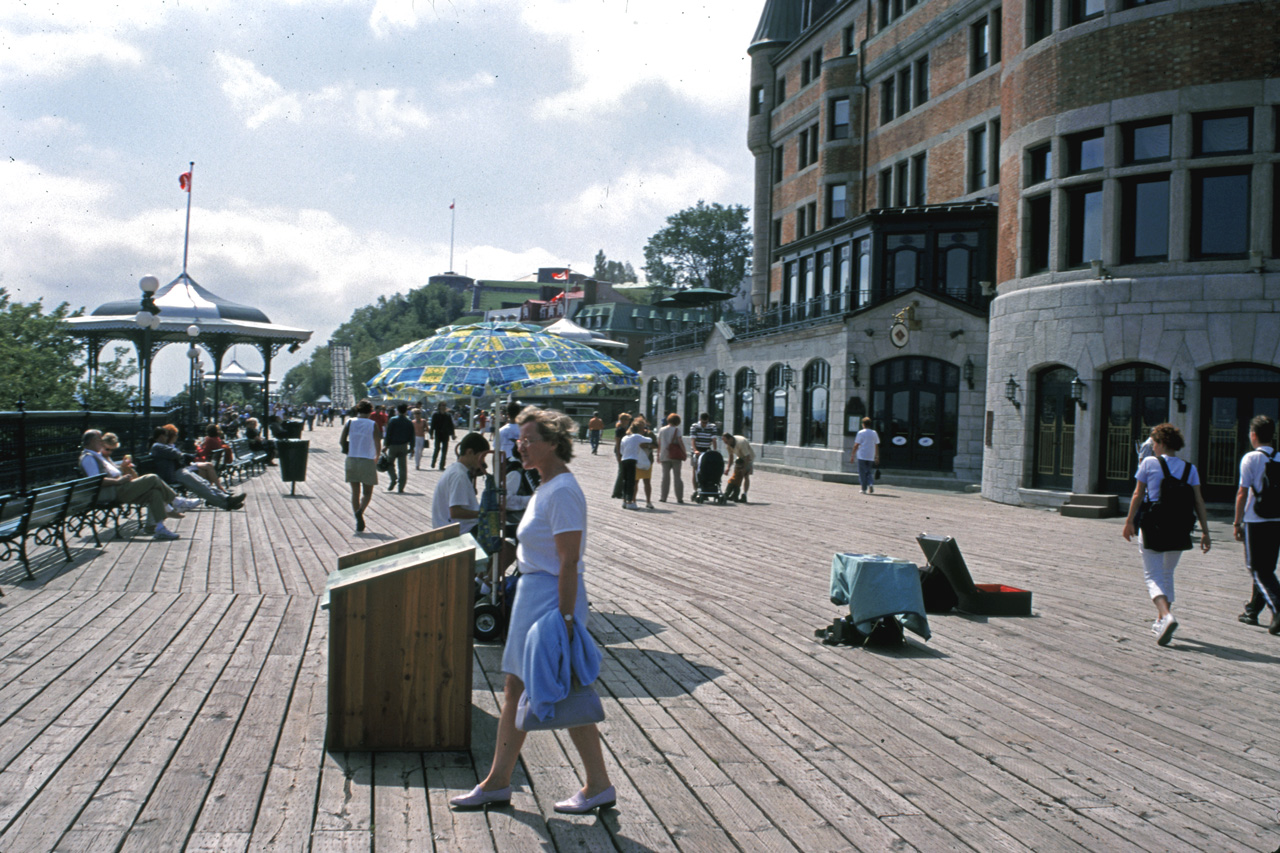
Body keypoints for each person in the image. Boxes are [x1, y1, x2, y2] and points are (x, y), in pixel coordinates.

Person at [450, 407, 615, 815]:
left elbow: (569, 561)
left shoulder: (561, 491)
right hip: (533, 592)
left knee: (561, 683)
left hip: (550, 597)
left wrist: (566, 620)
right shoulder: (544, 486)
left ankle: (587, 784)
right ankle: (505, 781)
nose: (519, 445)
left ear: (554, 443)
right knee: (526, 687)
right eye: (518, 439)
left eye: (528, 440)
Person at [1122, 423, 1211, 646]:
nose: (1152, 447)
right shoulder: (1190, 469)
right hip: (1180, 528)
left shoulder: (1149, 463)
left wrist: (1129, 521)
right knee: (1167, 572)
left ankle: (1166, 615)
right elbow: (1198, 501)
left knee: (1152, 575)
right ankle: (1161, 621)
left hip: (1154, 525)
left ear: (1161, 442)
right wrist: (1206, 532)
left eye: (1153, 442)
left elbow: (1138, 494)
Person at [80, 429, 187, 540]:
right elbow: (96, 481)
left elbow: (112, 472)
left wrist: (123, 468)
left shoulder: (97, 455)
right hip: (112, 491)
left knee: (154, 493)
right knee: (152, 478)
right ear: (92, 441)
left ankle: (160, 528)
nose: (102, 442)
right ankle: (177, 502)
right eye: (100, 439)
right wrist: (118, 481)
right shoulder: (88, 458)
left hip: (120, 487)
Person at [1234, 415, 1280, 633]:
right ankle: (1252, 611)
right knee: (1267, 567)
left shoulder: (1250, 458)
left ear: (1253, 435)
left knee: (1256, 568)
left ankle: (1278, 608)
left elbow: (1242, 492)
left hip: (1256, 519)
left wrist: (1237, 522)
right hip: (1277, 520)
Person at [151, 426, 246, 511]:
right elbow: (175, 453)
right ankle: (225, 504)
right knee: (200, 487)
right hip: (174, 474)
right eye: (166, 436)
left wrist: (180, 454)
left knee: (204, 484)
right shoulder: (157, 446)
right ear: (160, 436)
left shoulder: (162, 446)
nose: (167, 438)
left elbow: (177, 454)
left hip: (180, 470)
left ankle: (227, 498)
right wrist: (180, 454)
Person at [431, 432, 491, 534]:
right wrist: (484, 513)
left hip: (452, 527)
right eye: (482, 457)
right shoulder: (459, 476)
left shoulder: (456, 470)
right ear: (470, 452)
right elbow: (455, 512)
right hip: (459, 531)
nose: (482, 462)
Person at [341, 399, 381, 532]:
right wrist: (377, 456)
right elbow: (377, 443)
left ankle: (358, 518)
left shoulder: (350, 422)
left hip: (352, 459)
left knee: (355, 492)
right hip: (367, 459)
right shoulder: (372, 424)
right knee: (368, 492)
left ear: (358, 410)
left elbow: (342, 441)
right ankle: (360, 512)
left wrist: (349, 449)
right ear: (370, 411)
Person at [619, 419, 652, 510]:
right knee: (631, 482)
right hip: (632, 460)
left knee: (625, 481)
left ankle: (624, 501)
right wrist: (646, 431)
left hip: (624, 460)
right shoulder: (637, 436)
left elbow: (621, 451)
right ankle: (630, 502)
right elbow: (649, 440)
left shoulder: (624, 438)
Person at [383, 403, 415, 494]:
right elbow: (412, 436)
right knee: (402, 468)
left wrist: (386, 445)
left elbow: (388, 434)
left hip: (392, 446)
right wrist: (412, 447)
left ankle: (393, 478)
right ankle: (401, 487)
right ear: (406, 411)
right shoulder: (409, 421)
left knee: (389, 464)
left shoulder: (393, 420)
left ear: (398, 410)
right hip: (403, 446)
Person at [656, 413, 686, 504]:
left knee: (665, 476)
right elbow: (680, 441)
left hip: (664, 454)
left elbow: (659, 443)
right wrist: (684, 452)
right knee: (677, 477)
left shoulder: (662, 430)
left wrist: (658, 454)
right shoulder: (677, 430)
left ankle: (663, 497)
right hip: (676, 455)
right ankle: (679, 498)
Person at [688, 413, 718, 494]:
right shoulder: (694, 426)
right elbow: (693, 440)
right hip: (697, 450)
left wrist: (715, 451)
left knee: (706, 470)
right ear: (700, 420)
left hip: (707, 451)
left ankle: (705, 488)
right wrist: (695, 450)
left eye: (706, 422)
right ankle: (695, 489)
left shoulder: (712, 427)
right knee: (695, 470)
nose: (704, 424)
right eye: (703, 422)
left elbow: (714, 440)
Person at [720, 433, 755, 503]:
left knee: (745, 475)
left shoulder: (741, 442)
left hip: (749, 457)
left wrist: (744, 469)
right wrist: (728, 468)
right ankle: (734, 495)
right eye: (724, 442)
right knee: (737, 476)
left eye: (726, 442)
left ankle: (744, 495)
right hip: (740, 457)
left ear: (730, 439)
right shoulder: (728, 445)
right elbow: (731, 457)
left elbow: (747, 457)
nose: (726, 444)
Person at [851, 417, 880, 494]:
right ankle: (870, 483)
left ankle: (863, 488)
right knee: (869, 471)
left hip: (862, 455)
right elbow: (876, 445)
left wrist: (852, 454)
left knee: (862, 472)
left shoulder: (860, 433)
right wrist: (877, 456)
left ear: (863, 424)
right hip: (870, 455)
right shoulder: (874, 433)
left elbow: (856, 445)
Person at [633, 417, 655, 508]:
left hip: (647, 460)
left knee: (647, 481)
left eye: (642, 427)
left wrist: (646, 445)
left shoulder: (650, 434)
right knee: (635, 482)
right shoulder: (633, 435)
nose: (641, 429)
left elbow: (656, 445)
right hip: (635, 460)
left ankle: (648, 501)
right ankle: (633, 500)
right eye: (639, 427)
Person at [611, 412, 632, 501]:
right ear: (623, 420)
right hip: (621, 451)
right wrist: (619, 454)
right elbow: (617, 442)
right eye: (627, 419)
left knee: (623, 472)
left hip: (625, 451)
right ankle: (616, 492)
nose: (628, 421)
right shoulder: (619, 430)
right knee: (622, 472)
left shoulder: (626, 429)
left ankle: (620, 492)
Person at [430, 402, 456, 470]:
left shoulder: (448, 415)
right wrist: (431, 434)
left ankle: (441, 466)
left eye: (445, 405)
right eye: (442, 405)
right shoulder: (435, 415)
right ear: (439, 406)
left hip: (445, 434)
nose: (444, 407)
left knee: (444, 451)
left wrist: (453, 434)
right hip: (438, 434)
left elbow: (451, 425)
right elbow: (432, 425)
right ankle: (433, 462)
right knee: (437, 449)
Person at [498, 402, 524, 467]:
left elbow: (496, 451)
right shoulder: (524, 430)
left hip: (504, 464)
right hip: (520, 464)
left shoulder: (501, 430)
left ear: (507, 414)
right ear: (519, 414)